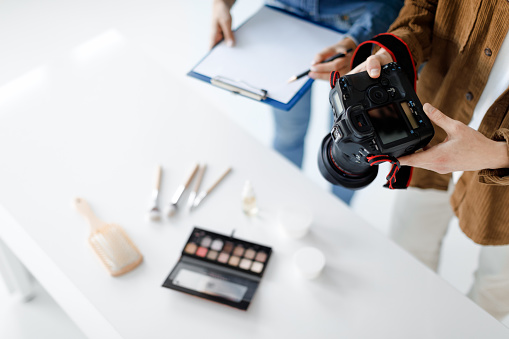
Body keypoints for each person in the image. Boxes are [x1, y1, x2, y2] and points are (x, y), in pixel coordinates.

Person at [350, 0, 509, 320]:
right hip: (434, 123)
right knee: (407, 250)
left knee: (496, 286)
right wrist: (390, 53)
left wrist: (498, 153)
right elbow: (421, 8)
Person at [210, 0, 404, 204]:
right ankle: (280, 202)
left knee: (354, 149)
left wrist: (360, 40)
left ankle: (338, 210)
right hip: (285, 16)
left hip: (359, 18)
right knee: (288, 133)